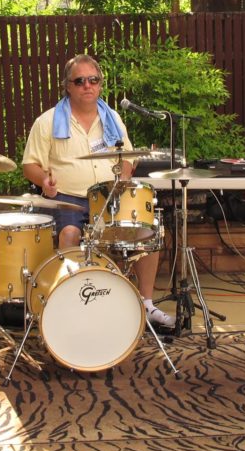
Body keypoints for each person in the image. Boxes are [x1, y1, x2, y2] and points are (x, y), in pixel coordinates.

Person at [22, 54, 172, 327]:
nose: (87, 86)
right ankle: (68, 305)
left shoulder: (112, 118)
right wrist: (44, 180)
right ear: (67, 86)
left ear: (101, 84)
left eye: (93, 80)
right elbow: (29, 164)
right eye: (80, 81)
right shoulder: (48, 121)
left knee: (147, 232)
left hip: (108, 196)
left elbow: (129, 155)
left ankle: (146, 304)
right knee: (69, 234)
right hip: (67, 199)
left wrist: (125, 172)